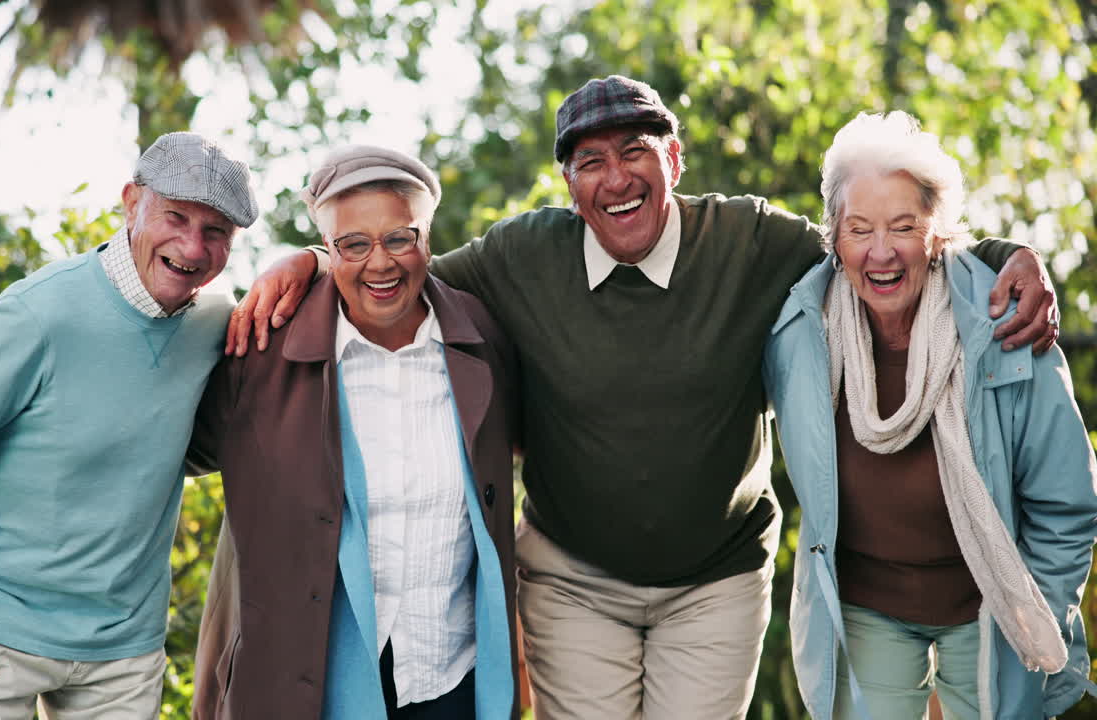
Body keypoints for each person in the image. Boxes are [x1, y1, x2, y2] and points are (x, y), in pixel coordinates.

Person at [219, 76, 1060, 719]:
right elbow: (395, 272)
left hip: (717, 579)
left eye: (635, 153)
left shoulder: (750, 241)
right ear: (568, 183)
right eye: (591, 162)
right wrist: (307, 260)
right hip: (574, 580)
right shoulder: (521, 257)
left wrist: (1007, 255)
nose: (616, 178)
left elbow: (875, 240)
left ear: (674, 162)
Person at [0, 131, 257, 719]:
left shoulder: (214, 318)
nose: (192, 246)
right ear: (131, 203)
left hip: (125, 651)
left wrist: (313, 257)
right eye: (176, 217)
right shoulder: (40, 314)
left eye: (216, 231)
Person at [762, 111, 1097, 720]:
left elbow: (1066, 501)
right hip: (866, 607)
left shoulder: (1005, 322)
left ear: (938, 234)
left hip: (992, 609)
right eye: (859, 229)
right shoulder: (801, 329)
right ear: (834, 237)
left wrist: (1037, 613)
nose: (881, 251)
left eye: (904, 227)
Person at [187, 146, 519, 720]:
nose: (379, 263)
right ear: (329, 247)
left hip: (450, 676)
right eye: (354, 244)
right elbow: (177, 452)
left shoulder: (482, 335)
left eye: (399, 238)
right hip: (312, 688)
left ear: (427, 240)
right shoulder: (262, 350)